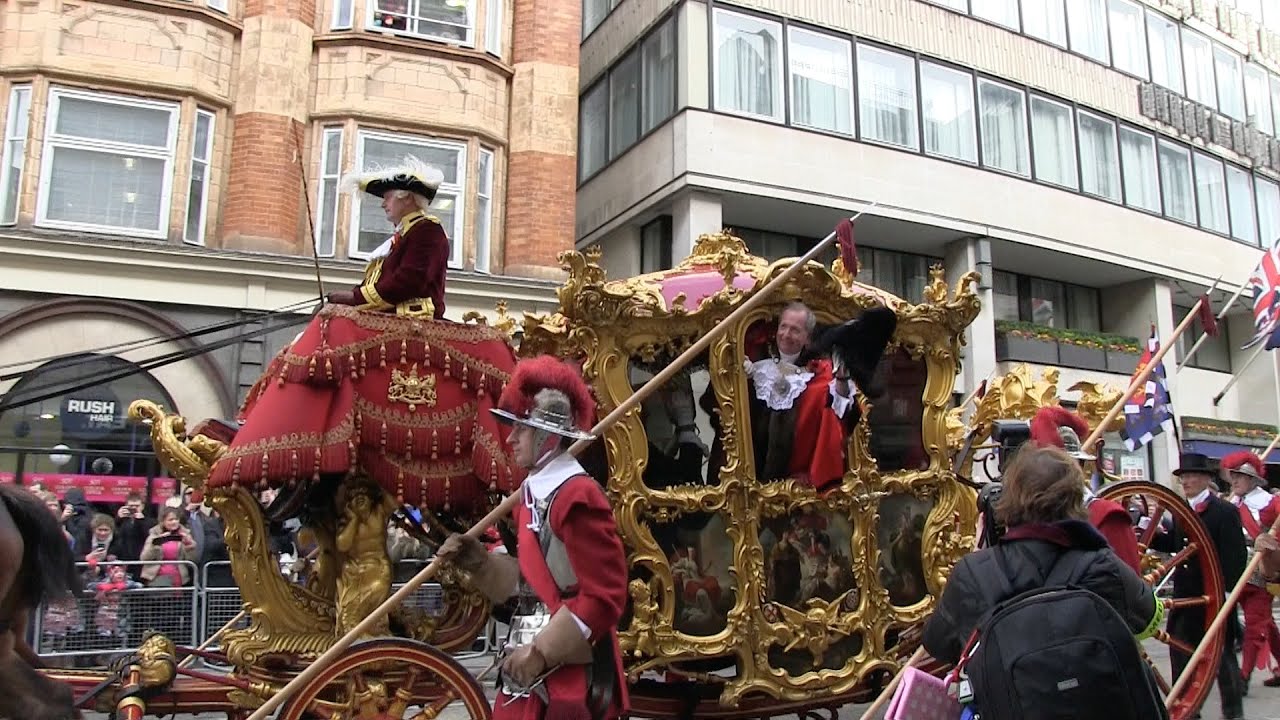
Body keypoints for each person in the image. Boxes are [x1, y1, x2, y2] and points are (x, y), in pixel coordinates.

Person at [437, 355, 628, 720]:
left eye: (521, 429)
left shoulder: (576, 496)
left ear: (548, 434)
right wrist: (478, 562)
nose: (510, 439)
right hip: (528, 665)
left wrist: (541, 651)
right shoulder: (533, 493)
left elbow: (604, 596)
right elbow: (532, 586)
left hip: (570, 672)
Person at [922, 446, 1164, 719]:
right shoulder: (1100, 563)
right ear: (1074, 499)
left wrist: (978, 557)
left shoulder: (975, 572)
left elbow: (937, 644)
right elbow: (1151, 618)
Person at [739, 302, 895, 490]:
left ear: (807, 337)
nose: (786, 335)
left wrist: (842, 376)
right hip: (749, 478)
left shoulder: (819, 372)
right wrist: (742, 374)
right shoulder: (756, 361)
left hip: (800, 485)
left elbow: (841, 410)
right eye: (783, 327)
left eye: (795, 330)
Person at [1150, 452, 1248, 720]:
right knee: (1179, 652)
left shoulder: (1224, 511)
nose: (1187, 481)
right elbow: (1175, 546)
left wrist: (1227, 596)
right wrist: (1151, 534)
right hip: (1185, 597)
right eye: (1183, 477)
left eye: (1192, 475)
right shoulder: (1182, 510)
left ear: (1206, 479)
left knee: (1222, 658)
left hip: (1214, 595)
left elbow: (1235, 557)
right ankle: (1188, 711)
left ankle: (1233, 713)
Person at [327, 155, 450, 319]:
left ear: (406, 198)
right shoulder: (403, 236)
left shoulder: (427, 230)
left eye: (387, 197)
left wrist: (355, 298)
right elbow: (381, 283)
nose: (383, 204)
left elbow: (409, 281)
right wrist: (350, 297)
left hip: (413, 322)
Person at [1027, 406, 1142, 573]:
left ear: (1077, 468)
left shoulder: (1107, 518)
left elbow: (1131, 592)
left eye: (1056, 468)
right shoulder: (1025, 521)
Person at [1223, 450, 1280, 689]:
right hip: (1235, 571)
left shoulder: (1271, 503)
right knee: (1266, 624)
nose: (1234, 480)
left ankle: (1243, 677)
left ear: (1253, 479)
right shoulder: (1229, 504)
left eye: (1240, 476)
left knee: (1255, 624)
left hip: (1261, 572)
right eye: (1232, 475)